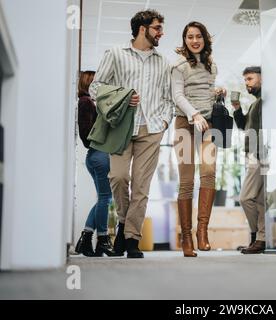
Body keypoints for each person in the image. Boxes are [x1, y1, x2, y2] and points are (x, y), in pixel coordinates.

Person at [89, 10, 174, 258]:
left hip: (152, 128)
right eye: (157, 28)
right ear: (142, 28)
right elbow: (96, 87)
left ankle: (132, 239)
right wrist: (122, 96)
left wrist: (165, 121)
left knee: (141, 186)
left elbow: (168, 98)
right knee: (117, 177)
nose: (161, 33)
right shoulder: (115, 54)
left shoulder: (163, 62)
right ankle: (124, 223)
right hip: (120, 127)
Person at [171, 21, 226, 257]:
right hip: (186, 123)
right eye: (189, 37)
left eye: (198, 36)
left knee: (209, 172)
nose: (194, 41)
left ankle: (202, 232)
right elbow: (177, 95)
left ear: (205, 39)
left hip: (208, 125)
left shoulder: (212, 66)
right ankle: (186, 237)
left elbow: (205, 91)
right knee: (186, 181)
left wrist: (218, 92)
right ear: (185, 40)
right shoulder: (179, 66)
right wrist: (193, 114)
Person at [75, 71, 115, 257]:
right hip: (98, 155)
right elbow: (85, 134)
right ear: (89, 83)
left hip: (98, 156)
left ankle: (87, 237)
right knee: (105, 198)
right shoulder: (85, 102)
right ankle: (102, 240)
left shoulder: (91, 102)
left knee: (103, 198)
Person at [232, 66, 266, 254]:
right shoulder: (256, 103)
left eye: (250, 79)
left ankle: (255, 235)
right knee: (259, 201)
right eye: (245, 80)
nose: (247, 83)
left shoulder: (264, 102)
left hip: (259, 156)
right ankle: (260, 240)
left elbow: (264, 131)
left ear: (262, 79)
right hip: (253, 155)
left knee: (245, 198)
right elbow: (245, 126)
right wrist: (237, 109)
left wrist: (261, 157)